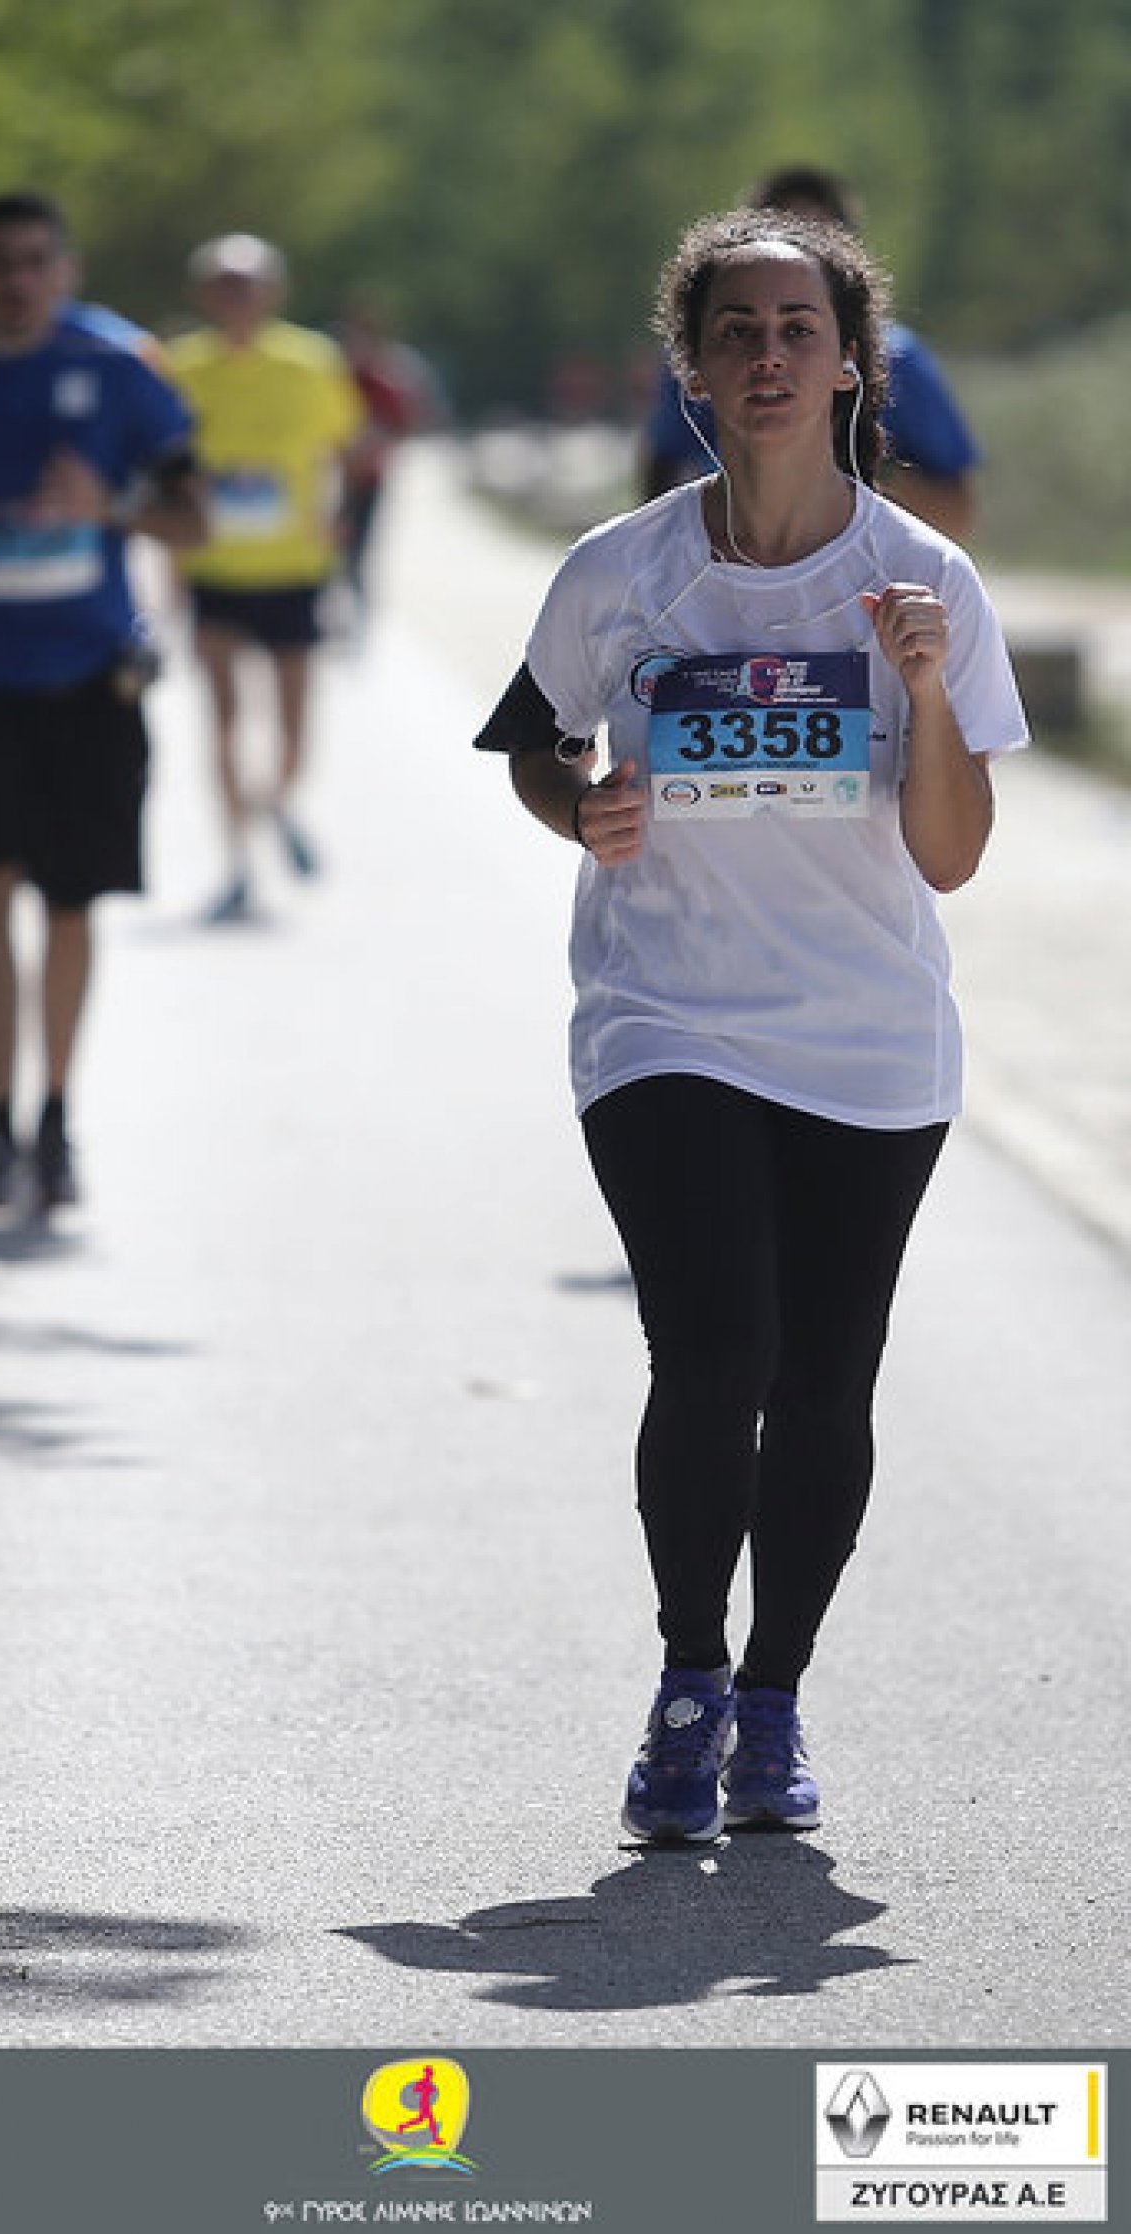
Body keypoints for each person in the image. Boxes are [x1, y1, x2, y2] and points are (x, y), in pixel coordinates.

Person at [475, 206, 1027, 1841]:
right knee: (717, 1351)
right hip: (666, 1017)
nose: (770, 357)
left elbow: (952, 855)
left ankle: (774, 1698)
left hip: (869, 1036)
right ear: (692, 370)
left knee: (828, 1379)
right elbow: (536, 744)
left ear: (851, 365)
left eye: (800, 330)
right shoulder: (620, 569)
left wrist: (921, 691)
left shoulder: (924, 582)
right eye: (737, 332)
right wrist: (581, 807)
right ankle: (687, 1679)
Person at [0, 192, 204, 1210]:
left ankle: (56, 1120)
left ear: (65, 270)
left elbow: (192, 518)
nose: (15, 280)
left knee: (69, 898)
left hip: (89, 672)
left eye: (33, 261)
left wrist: (107, 506)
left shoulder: (120, 366)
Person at [167, 234, 365, 924]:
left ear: (274, 291)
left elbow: (348, 448)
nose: (238, 297)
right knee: (223, 722)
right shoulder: (181, 366)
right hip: (215, 569)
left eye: (248, 284)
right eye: (224, 284)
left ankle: (274, 801)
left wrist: (339, 519)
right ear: (203, 294)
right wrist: (170, 562)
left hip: (294, 569)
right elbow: (165, 468)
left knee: (292, 734)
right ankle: (237, 864)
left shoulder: (312, 362)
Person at [640, 166, 980, 543]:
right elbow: (662, 469)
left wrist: (859, 468)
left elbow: (958, 513)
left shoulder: (900, 359)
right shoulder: (712, 353)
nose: (768, 356)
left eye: (799, 331)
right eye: (776, 237)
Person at [335, 295, 443, 624]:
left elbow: (404, 424)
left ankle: (357, 604)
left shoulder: (384, 382)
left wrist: (372, 446)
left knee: (359, 543)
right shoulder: (333, 377)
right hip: (331, 476)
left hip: (369, 476)